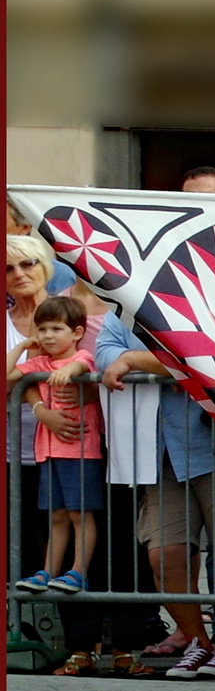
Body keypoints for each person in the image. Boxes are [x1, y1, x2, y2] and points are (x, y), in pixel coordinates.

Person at [97, 308, 215, 677]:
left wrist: (134, 359)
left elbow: (206, 356)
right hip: (155, 451)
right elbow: (103, 356)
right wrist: (170, 367)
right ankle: (198, 642)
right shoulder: (124, 311)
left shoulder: (202, 302)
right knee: (164, 553)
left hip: (214, 447)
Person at [8, 294, 103, 598]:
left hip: (79, 450)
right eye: (43, 329)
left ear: (76, 332)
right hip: (47, 451)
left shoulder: (81, 358)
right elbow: (7, 378)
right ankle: (47, 571)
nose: (48, 336)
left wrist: (69, 372)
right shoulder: (38, 362)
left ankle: (78, 572)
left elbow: (82, 365)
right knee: (57, 515)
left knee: (79, 514)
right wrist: (22, 346)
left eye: (56, 329)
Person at [7, 231, 59, 585]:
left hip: (64, 445)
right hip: (11, 452)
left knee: (64, 539)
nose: (19, 274)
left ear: (46, 266)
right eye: (8, 268)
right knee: (17, 545)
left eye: (28, 263)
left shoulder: (71, 312)